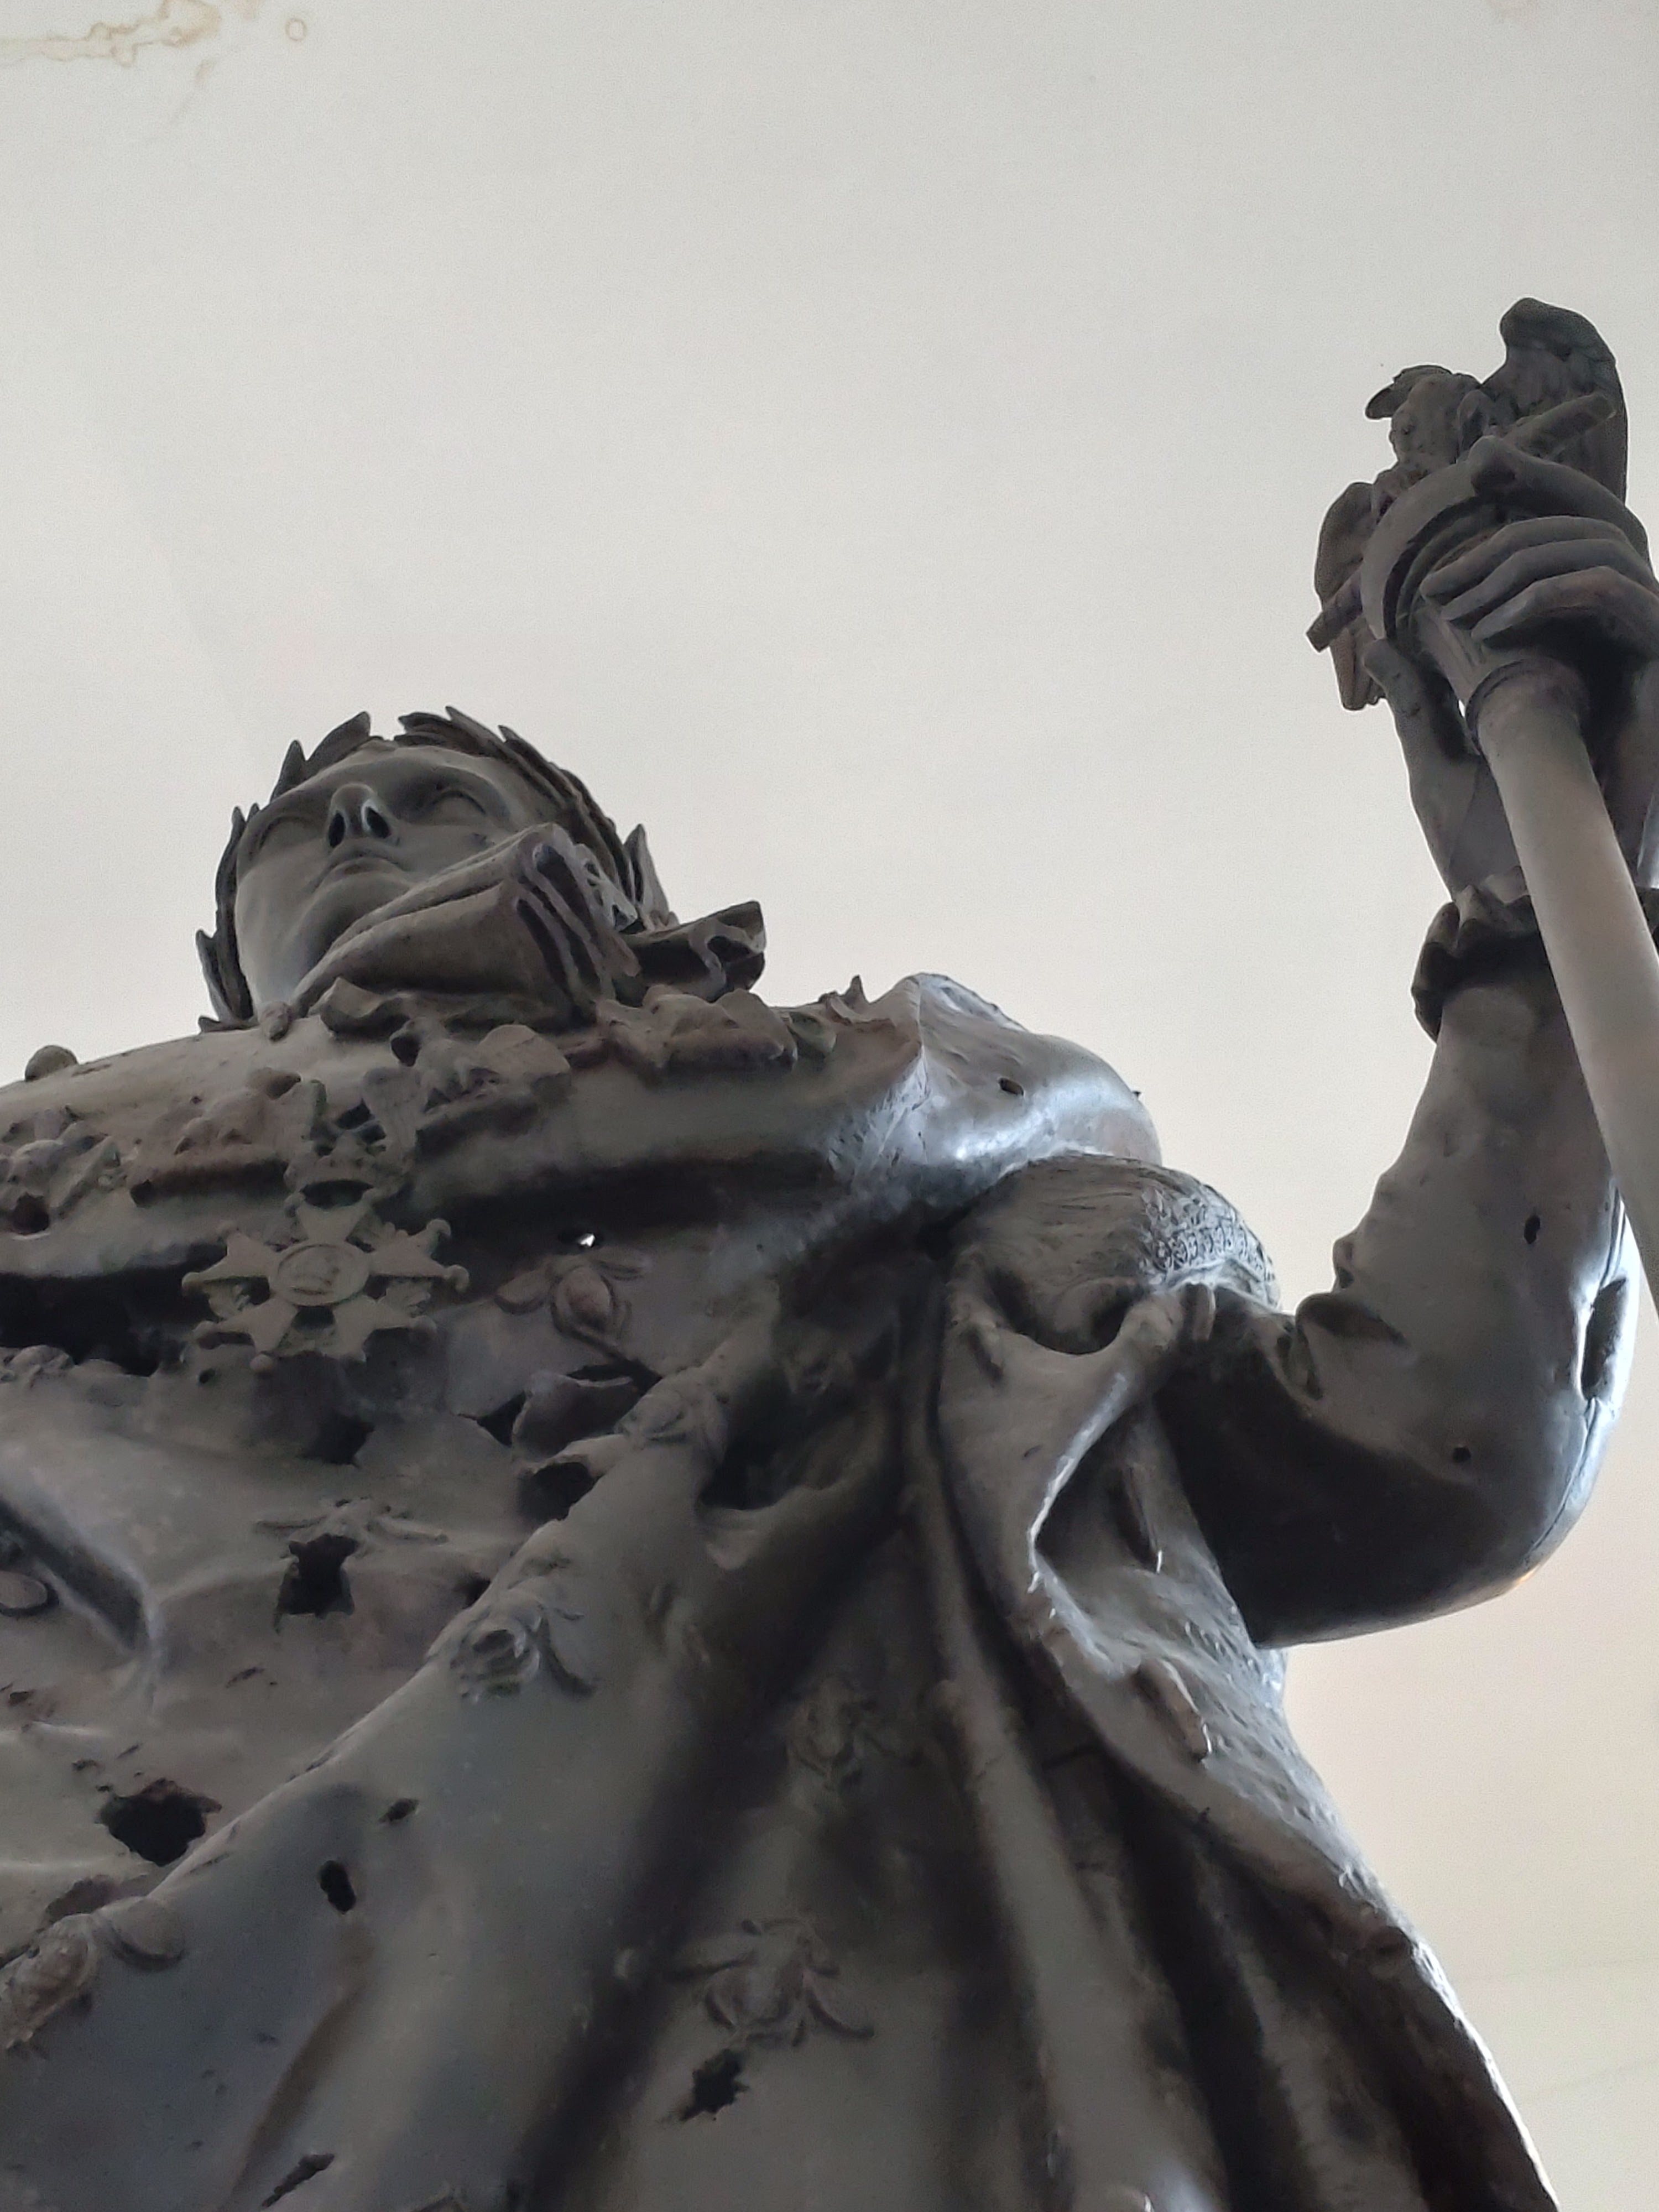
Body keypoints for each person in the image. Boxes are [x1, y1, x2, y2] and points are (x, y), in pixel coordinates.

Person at [0, 401, 1656, 2212]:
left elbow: (1429, 1439)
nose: (368, 819)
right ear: (226, 983)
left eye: (439, 797)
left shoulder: (941, 1186)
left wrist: (1540, 910)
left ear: (625, 890)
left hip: (843, 2046)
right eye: (307, 829)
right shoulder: (40, 1222)